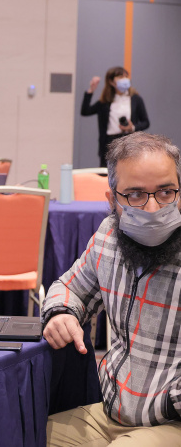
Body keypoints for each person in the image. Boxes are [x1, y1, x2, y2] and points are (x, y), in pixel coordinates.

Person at [43, 132, 181, 445]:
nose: (151, 208)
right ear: (112, 200)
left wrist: (169, 402)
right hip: (108, 414)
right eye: (134, 195)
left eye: (165, 192)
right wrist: (62, 314)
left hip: (172, 422)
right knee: (24, 432)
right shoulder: (108, 237)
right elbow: (69, 286)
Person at [81, 66, 150, 167]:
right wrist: (91, 90)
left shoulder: (136, 99)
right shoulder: (105, 102)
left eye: (126, 77)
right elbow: (85, 111)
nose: (125, 80)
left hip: (129, 141)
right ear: (111, 82)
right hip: (109, 142)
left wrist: (132, 127)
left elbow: (146, 122)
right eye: (120, 77)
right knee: (107, 175)